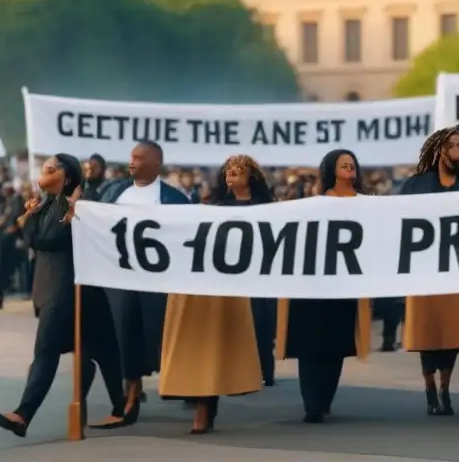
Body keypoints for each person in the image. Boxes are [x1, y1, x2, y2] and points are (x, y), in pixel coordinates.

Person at [0, 155, 127, 438]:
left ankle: (23, 415)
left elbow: (45, 240)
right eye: (44, 168)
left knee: (49, 352)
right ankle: (120, 406)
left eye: (51, 169)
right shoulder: (51, 203)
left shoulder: (74, 204)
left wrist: (27, 219)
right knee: (100, 352)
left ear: (67, 177)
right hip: (59, 289)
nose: (44, 173)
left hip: (68, 291)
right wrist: (32, 213)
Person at [158, 155, 266, 434]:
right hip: (213, 285)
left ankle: (211, 403)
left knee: (230, 345)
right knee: (207, 346)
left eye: (239, 170)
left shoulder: (266, 208)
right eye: (228, 170)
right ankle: (203, 408)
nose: (232, 174)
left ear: (251, 176)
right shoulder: (212, 206)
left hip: (245, 287)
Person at [277, 149, 371, 423]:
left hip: (345, 286)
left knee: (335, 345)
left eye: (352, 164)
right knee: (310, 346)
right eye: (344, 165)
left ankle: (324, 398)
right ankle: (312, 404)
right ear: (332, 170)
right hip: (312, 285)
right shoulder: (314, 204)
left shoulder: (366, 204)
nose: (349, 168)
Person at [101, 140, 191, 422]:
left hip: (159, 283)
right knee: (124, 335)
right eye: (131, 157)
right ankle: (131, 393)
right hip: (122, 279)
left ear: (155, 163)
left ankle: (186, 387)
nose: (131, 162)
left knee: (162, 336)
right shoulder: (114, 193)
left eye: (138, 158)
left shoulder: (175, 199)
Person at [400, 125, 459, 416]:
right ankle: (430, 388)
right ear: (440, 151)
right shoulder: (415, 185)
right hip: (423, 273)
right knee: (427, 334)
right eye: (455, 146)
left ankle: (445, 389)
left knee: (452, 334)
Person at [0, 184, 21, 310]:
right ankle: (0, 296)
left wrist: (14, 228)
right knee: (1, 268)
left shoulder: (15, 201)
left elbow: (18, 217)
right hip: (2, 238)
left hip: (9, 239)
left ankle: (2, 293)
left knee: (5, 268)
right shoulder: (3, 202)